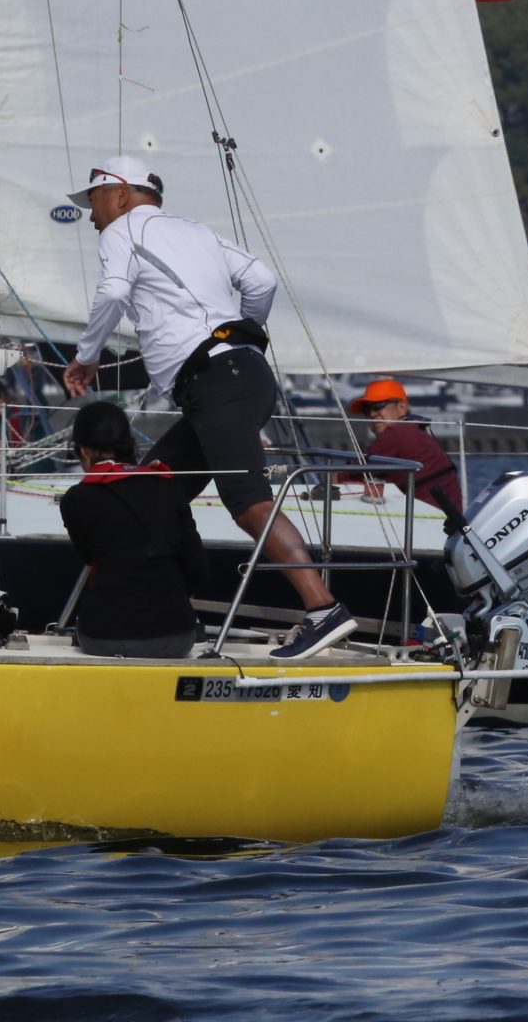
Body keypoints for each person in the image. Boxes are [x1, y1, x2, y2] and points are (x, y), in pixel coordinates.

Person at [57, 155, 357, 659]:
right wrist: (238, 336)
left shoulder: (122, 230)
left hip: (218, 382)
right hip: (234, 376)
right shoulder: (197, 231)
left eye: (94, 201)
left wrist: (87, 357)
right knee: (152, 489)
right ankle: (156, 613)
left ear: (121, 195)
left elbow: (113, 291)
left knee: (246, 500)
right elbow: (261, 280)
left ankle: (323, 610)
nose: (91, 216)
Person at [55, 400, 207, 658]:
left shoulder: (76, 499)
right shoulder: (167, 486)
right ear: (128, 443)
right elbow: (198, 566)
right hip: (175, 637)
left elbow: (89, 557)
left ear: (84, 450)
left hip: (103, 637)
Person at [345, 378, 467, 531]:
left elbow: (347, 475)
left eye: (378, 406)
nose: (372, 414)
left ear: (402, 407)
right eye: (367, 410)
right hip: (444, 523)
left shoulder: (397, 433)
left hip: (430, 525)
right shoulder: (413, 430)